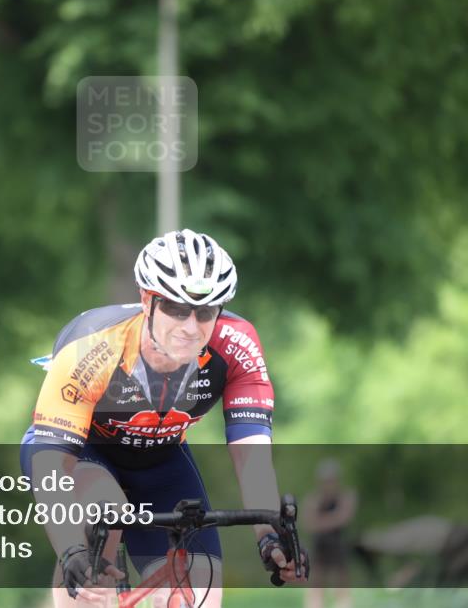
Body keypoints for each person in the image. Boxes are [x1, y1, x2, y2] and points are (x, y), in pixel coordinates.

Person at [20, 229, 308, 607]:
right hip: (83, 452)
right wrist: (71, 548)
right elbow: (51, 466)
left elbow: (253, 459)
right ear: (147, 300)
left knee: (202, 591)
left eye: (205, 312)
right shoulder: (91, 347)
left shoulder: (237, 346)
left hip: (161, 458)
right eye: (176, 308)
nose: (191, 327)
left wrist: (270, 537)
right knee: (103, 517)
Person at [302, 459, 357, 608]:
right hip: (319, 545)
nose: (329, 484)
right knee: (316, 583)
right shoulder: (314, 499)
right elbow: (309, 524)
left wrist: (321, 521)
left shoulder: (345, 496)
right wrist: (332, 520)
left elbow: (344, 518)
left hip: (339, 544)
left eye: (331, 480)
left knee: (341, 583)